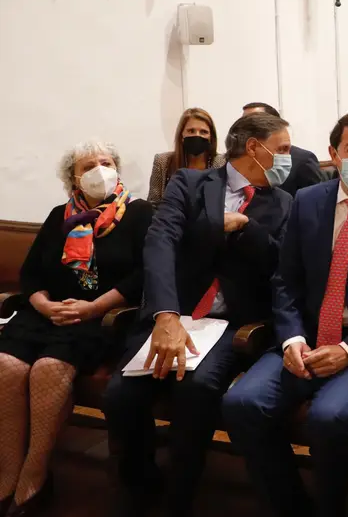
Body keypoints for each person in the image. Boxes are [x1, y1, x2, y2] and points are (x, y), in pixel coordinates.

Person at [222, 112, 348, 517]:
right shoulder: (308, 202)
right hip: (307, 337)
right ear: (334, 154)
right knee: (242, 403)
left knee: (330, 417)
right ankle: (290, 505)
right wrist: (294, 338)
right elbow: (286, 281)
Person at [102, 113, 294, 517]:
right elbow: (161, 241)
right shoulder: (189, 183)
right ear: (255, 148)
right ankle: (140, 485)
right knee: (121, 396)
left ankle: (180, 497)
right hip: (176, 310)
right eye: (282, 149)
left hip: (231, 323)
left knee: (196, 389)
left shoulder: (284, 202)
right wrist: (166, 315)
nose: (287, 158)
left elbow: (280, 266)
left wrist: (245, 227)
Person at [0, 142, 152, 516]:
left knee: (48, 369)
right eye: (90, 165)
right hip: (47, 312)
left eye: (107, 162)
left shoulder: (138, 213)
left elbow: (143, 275)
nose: (101, 169)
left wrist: (93, 307)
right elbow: (32, 273)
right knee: (7, 366)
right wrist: (43, 303)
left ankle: (35, 473)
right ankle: (8, 471)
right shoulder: (59, 216)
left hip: (102, 317)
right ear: (74, 179)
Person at [242, 102, 325, 197]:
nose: (244, 128)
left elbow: (315, 200)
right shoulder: (242, 159)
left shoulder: (303, 160)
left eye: (251, 123)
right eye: (242, 123)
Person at [147, 108, 225, 207]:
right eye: (191, 131)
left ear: (211, 137)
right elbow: (153, 204)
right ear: (181, 135)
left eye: (203, 132)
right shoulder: (162, 161)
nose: (197, 136)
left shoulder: (222, 163)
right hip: (170, 219)